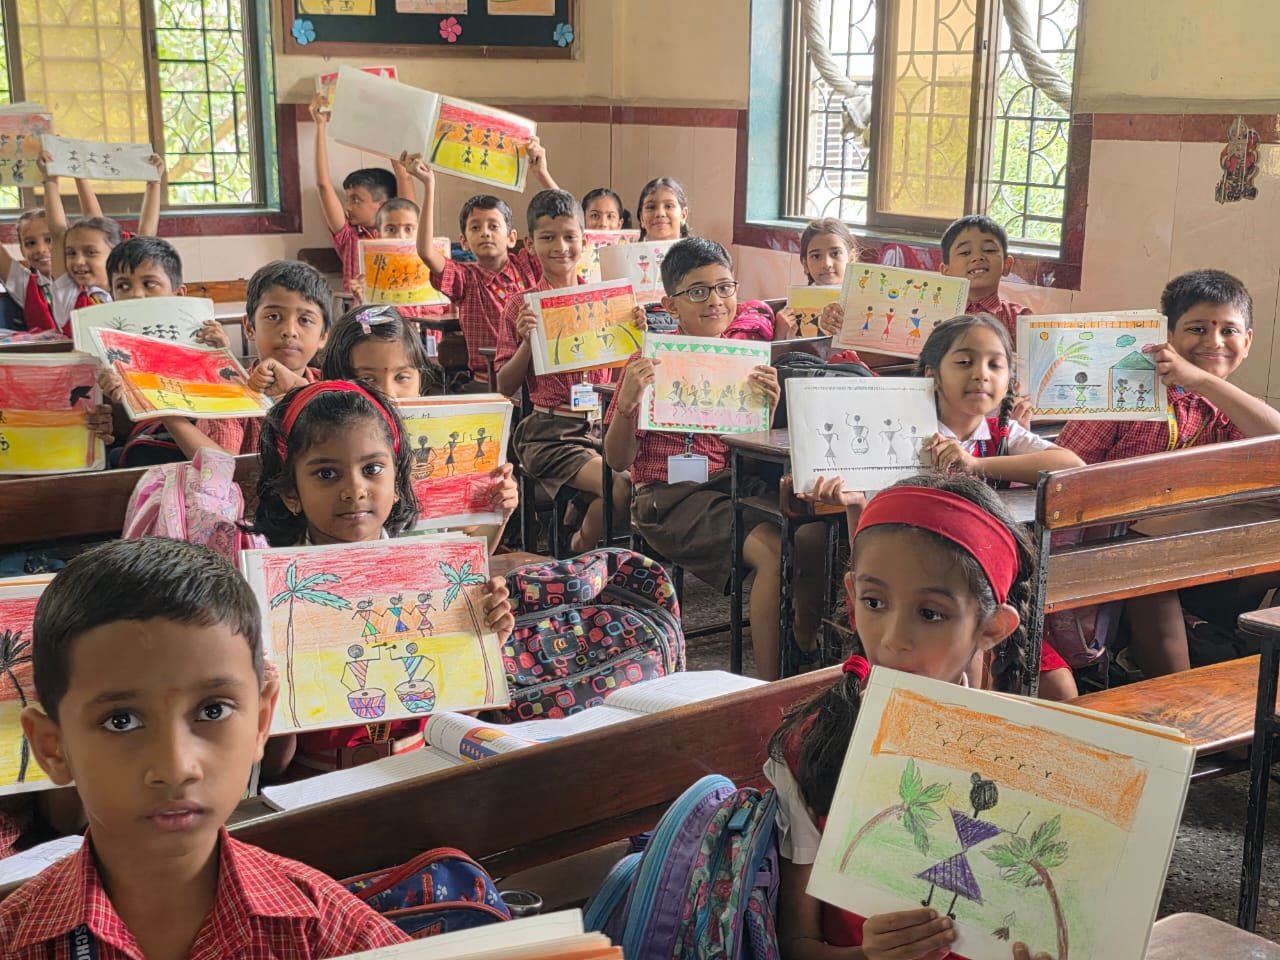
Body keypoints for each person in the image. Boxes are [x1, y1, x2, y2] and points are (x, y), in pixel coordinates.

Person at [0, 537, 410, 956]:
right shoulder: (13, 943)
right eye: (121, 721)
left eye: (213, 711)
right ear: (52, 748)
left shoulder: (331, 932)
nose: (176, 767)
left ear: (260, 723)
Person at [768, 474, 1054, 960]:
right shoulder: (812, 748)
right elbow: (796, 945)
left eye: (930, 613)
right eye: (874, 603)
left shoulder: (1027, 761)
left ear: (992, 628)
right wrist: (865, 957)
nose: (893, 638)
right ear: (852, 597)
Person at [247, 380, 515, 777]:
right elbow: (273, 767)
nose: (354, 489)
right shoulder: (274, 599)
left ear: (398, 481)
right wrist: (273, 692)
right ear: (291, 492)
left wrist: (480, 649)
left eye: (372, 469)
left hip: (422, 774)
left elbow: (452, 721)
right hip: (316, 791)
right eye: (326, 473)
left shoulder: (432, 581)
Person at [604, 238, 825, 680]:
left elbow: (753, 451)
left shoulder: (746, 361)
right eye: (698, 291)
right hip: (668, 497)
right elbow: (616, 458)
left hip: (729, 484)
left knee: (815, 531)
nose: (715, 301)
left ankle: (801, 639)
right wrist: (628, 403)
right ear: (671, 304)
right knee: (774, 550)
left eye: (725, 288)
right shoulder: (648, 361)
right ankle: (767, 688)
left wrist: (768, 409)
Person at [1057, 269, 1280, 676]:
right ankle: (1176, 697)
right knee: (1150, 565)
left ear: (1247, 342)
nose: (1214, 341)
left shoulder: (1228, 408)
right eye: (1197, 329)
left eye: (1229, 330)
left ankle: (1257, 682)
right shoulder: (1123, 395)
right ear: (1167, 336)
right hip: (1116, 554)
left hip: (1199, 556)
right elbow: (1060, 475)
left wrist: (1203, 383)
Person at [911, 313, 1081, 700]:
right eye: (964, 361)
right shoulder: (912, 432)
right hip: (928, 588)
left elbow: (1072, 465)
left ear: (1009, 381)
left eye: (995, 364)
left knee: (1061, 689)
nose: (981, 374)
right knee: (974, 679)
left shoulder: (1002, 434)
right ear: (932, 374)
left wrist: (977, 465)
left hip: (995, 592)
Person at [494, 188, 630, 552]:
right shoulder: (521, 305)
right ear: (529, 244)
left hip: (599, 427)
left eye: (570, 237)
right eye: (548, 238)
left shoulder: (603, 301)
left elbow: (619, 377)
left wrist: (634, 334)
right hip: (549, 433)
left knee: (633, 485)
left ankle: (578, 525)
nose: (561, 247)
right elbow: (504, 384)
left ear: (585, 241)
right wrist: (529, 342)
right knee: (620, 486)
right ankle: (580, 546)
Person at [323, 304, 516, 552]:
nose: (389, 395)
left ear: (420, 379)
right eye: (368, 379)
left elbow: (468, 551)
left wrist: (500, 511)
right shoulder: (323, 453)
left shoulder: (441, 446)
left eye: (402, 377)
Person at [408, 141, 558, 390]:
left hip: (536, 381)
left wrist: (542, 174)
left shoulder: (528, 265)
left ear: (512, 238)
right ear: (464, 242)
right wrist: (429, 186)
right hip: (487, 382)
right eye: (476, 227)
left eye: (494, 226)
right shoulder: (465, 279)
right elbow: (426, 252)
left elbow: (564, 223)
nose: (485, 233)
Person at [163, 260, 332, 457]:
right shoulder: (229, 392)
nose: (289, 331)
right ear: (250, 327)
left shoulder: (333, 388)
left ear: (323, 336)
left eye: (305, 320)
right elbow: (223, 466)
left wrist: (301, 390)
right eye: (274, 317)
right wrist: (169, 415)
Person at [41, 150, 164, 336]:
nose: (78, 261)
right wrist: (50, 179)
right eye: (71, 253)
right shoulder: (69, 293)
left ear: (115, 254)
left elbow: (147, 234)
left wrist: (154, 182)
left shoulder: (128, 291)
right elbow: (58, 232)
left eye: (90, 252)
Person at [309, 92, 413, 294]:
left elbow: (405, 177)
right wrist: (320, 125)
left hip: (400, 311)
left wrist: (389, 123)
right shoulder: (349, 237)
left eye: (356, 200)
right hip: (360, 313)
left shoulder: (405, 232)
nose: (348, 207)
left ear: (385, 205)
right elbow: (323, 185)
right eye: (348, 199)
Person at [774, 219, 866, 369]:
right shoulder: (796, 306)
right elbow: (780, 359)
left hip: (852, 375)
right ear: (805, 264)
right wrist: (780, 331)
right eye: (816, 256)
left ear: (851, 257)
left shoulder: (864, 302)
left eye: (835, 253)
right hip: (805, 374)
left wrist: (853, 325)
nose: (826, 264)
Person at [938, 215, 1029, 341]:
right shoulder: (933, 313)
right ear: (946, 271)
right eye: (965, 252)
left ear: (1006, 265)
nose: (978, 257)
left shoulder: (1021, 319)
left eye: (989, 250)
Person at [0, 209, 54, 331]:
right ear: (22, 250)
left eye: (49, 240)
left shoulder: (85, 280)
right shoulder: (25, 285)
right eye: (31, 243)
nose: (41, 249)